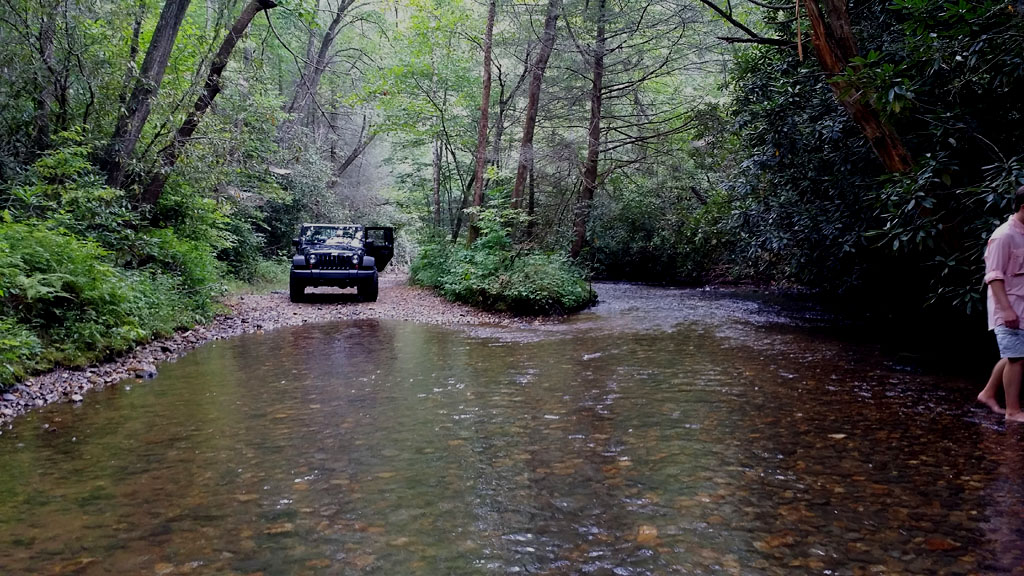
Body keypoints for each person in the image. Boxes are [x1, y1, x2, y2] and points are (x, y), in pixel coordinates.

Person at [977, 186, 1024, 421]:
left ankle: (987, 394)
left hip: (1022, 307)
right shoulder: (1003, 235)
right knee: (1016, 357)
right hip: (1008, 307)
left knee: (1015, 354)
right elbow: (993, 276)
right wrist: (1006, 310)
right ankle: (1013, 411)